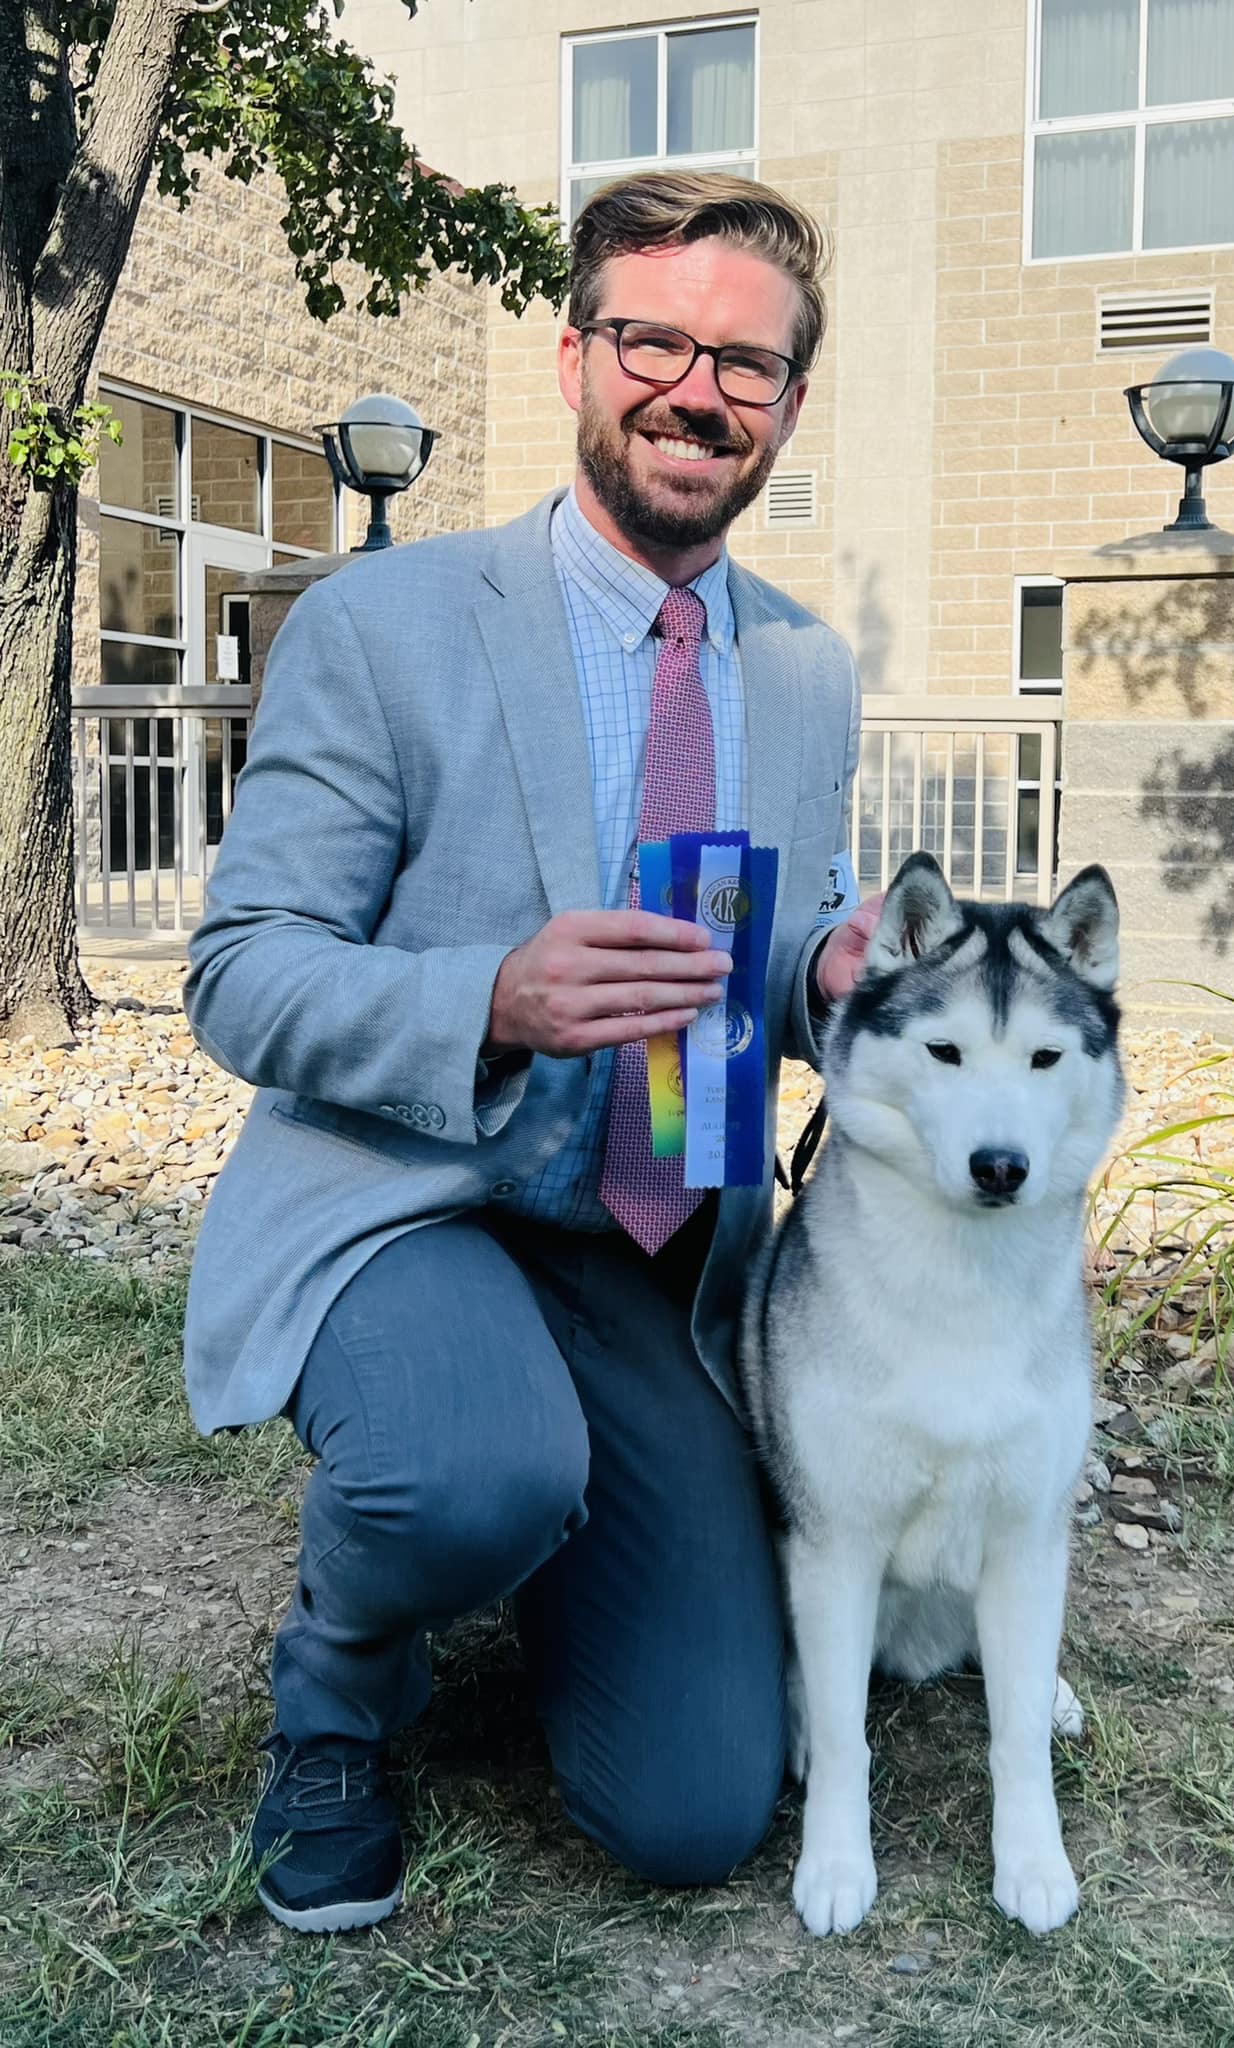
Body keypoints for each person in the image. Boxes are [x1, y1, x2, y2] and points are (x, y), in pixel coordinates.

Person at [181, 170, 880, 1935]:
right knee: (474, 1471)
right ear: (574, 352)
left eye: (746, 361)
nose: (695, 389)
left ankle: (533, 1508)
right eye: (652, 337)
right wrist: (484, 995)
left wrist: (833, 976)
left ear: (790, 404)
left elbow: (764, 956)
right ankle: (339, 1695)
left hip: (655, 1252)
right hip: (418, 1200)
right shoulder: (390, 627)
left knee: (697, 1811)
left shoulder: (802, 670)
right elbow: (243, 973)